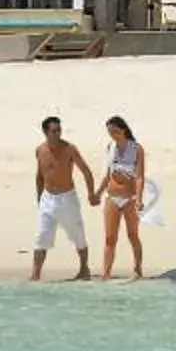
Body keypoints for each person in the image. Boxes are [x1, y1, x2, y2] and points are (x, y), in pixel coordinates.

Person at [28, 115, 98, 282]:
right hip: (47, 198)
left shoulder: (69, 149)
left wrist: (91, 193)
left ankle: (84, 270)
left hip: (67, 198)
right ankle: (35, 275)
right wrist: (39, 199)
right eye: (54, 131)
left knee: (78, 234)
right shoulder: (40, 150)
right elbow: (40, 176)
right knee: (41, 237)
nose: (57, 134)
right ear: (45, 132)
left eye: (59, 130)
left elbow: (86, 171)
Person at [96, 114, 147, 280]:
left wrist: (139, 198)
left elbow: (139, 177)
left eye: (116, 132)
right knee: (110, 238)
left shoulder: (136, 149)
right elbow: (107, 175)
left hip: (129, 198)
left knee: (133, 235)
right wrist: (98, 193)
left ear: (124, 130)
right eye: (110, 132)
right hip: (112, 196)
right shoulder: (110, 147)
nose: (113, 135)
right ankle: (106, 272)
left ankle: (137, 269)